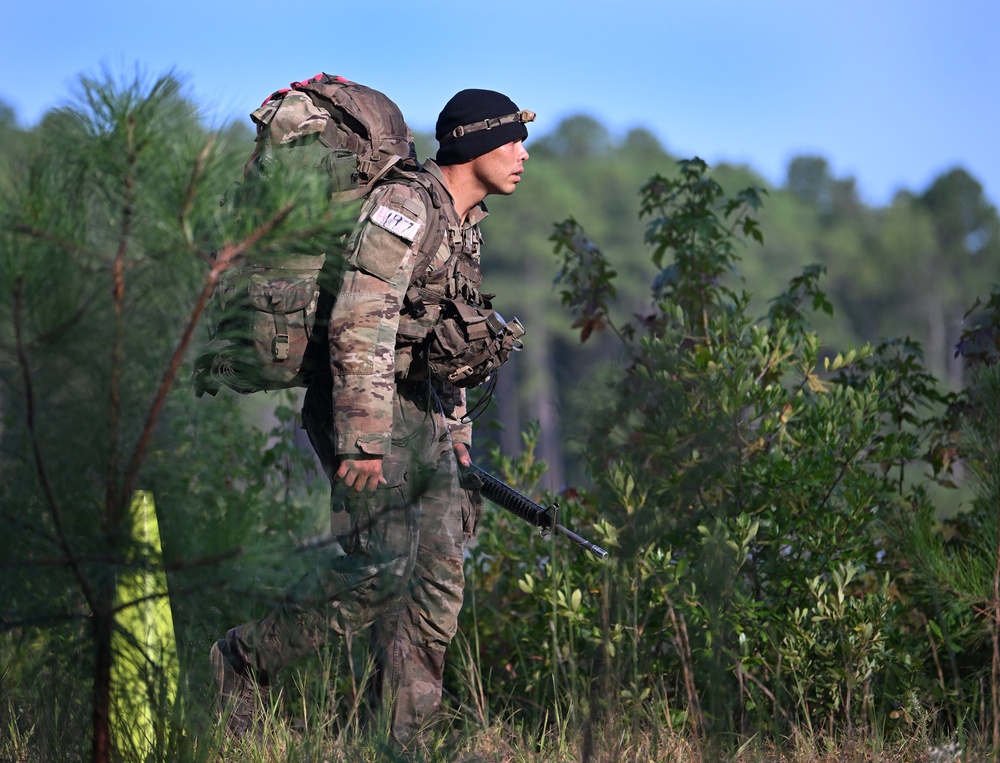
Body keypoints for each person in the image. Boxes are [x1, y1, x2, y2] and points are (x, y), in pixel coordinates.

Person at [210, 88, 532, 746]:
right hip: (364, 406)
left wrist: (458, 439)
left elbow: (450, 338)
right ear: (472, 146)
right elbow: (360, 319)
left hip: (422, 412)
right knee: (378, 569)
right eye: (511, 141)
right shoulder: (406, 207)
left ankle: (399, 742)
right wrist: (362, 440)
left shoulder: (463, 221)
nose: (523, 155)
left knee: (437, 585)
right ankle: (242, 659)